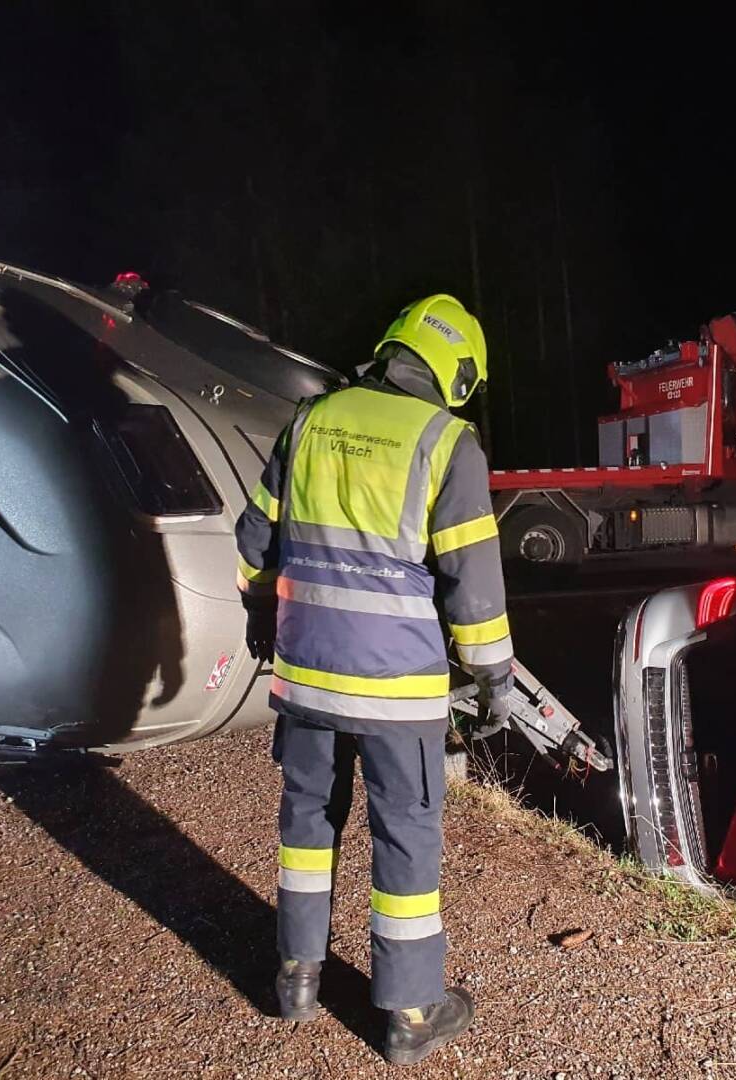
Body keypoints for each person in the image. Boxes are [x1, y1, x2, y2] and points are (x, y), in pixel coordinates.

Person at [234, 294, 513, 1066]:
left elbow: (256, 537)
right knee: (405, 840)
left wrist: (262, 606)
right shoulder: (447, 443)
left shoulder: (311, 420)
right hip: (396, 694)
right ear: (457, 374)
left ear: (392, 348)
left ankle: (296, 977)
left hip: (307, 680)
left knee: (307, 827)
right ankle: (411, 1013)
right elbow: (472, 582)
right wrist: (493, 677)